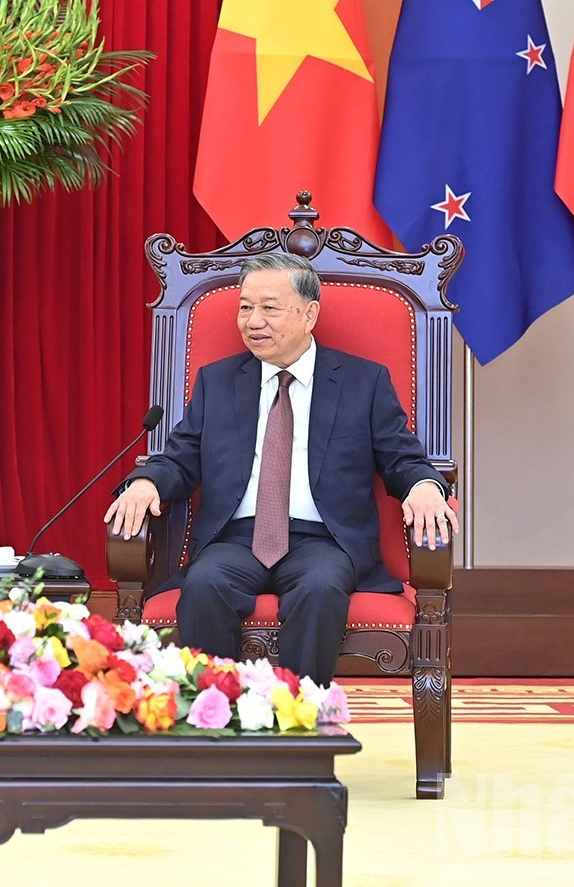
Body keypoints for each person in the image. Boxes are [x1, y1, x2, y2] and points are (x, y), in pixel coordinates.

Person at [104, 251, 452, 685]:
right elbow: (181, 455)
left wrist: (422, 484)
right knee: (204, 584)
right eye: (245, 307)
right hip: (236, 538)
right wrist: (145, 483)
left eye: (269, 308)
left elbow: (401, 456)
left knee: (321, 589)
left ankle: (299, 723)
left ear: (309, 314)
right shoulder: (219, 381)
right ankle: (215, 721)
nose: (253, 321)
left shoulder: (363, 382)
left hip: (324, 541)